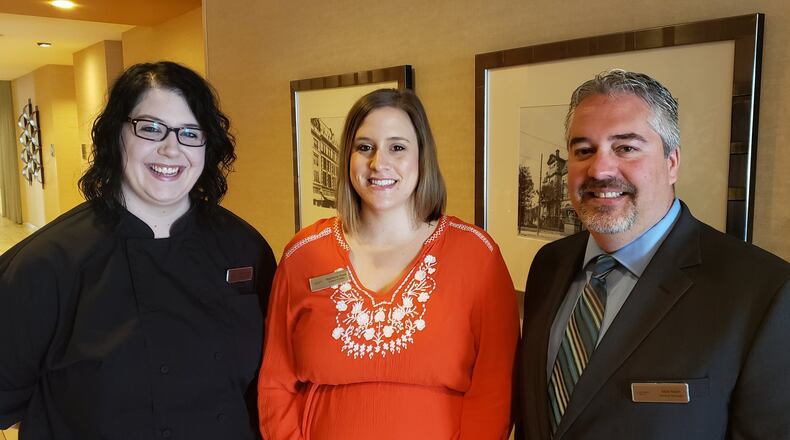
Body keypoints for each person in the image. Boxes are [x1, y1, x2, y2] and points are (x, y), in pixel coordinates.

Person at [0, 61, 276, 439]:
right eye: (150, 128)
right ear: (116, 134)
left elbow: (266, 387)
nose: (170, 149)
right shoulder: (48, 263)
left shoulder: (245, 249)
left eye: (190, 133)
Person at [516, 69, 790, 439]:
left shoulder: (762, 292)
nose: (599, 168)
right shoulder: (549, 265)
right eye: (584, 150)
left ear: (672, 161)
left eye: (626, 147)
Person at [258, 88, 519, 439]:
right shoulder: (303, 254)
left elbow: (495, 391)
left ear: (422, 156)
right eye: (364, 147)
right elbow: (276, 383)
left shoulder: (476, 254)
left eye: (397, 147)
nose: (379, 163)